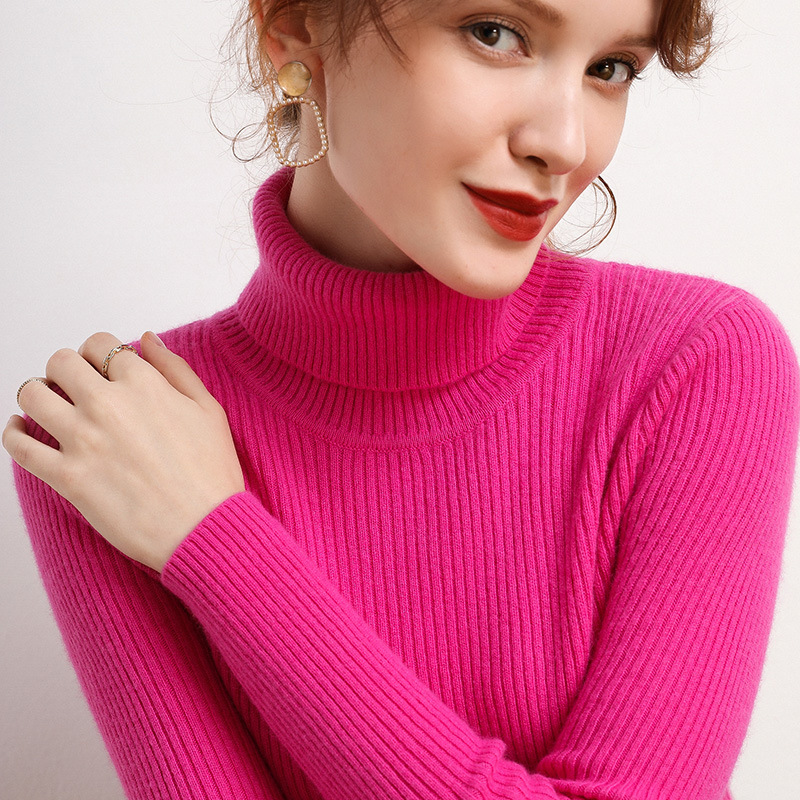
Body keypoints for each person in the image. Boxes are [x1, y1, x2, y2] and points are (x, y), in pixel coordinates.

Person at [3, 0, 799, 798]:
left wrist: (213, 541)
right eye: (495, 33)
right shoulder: (115, 434)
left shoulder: (696, 365)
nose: (564, 143)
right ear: (295, 26)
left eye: (610, 69)